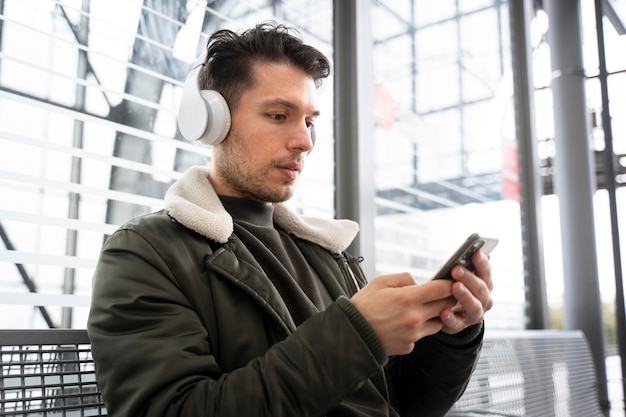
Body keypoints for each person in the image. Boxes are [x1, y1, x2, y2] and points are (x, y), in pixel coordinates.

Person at [87, 22, 493, 417]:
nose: (304, 141)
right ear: (212, 122)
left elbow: (404, 404)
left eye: (310, 122)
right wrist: (355, 336)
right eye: (279, 116)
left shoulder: (327, 254)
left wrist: (453, 336)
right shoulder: (147, 252)